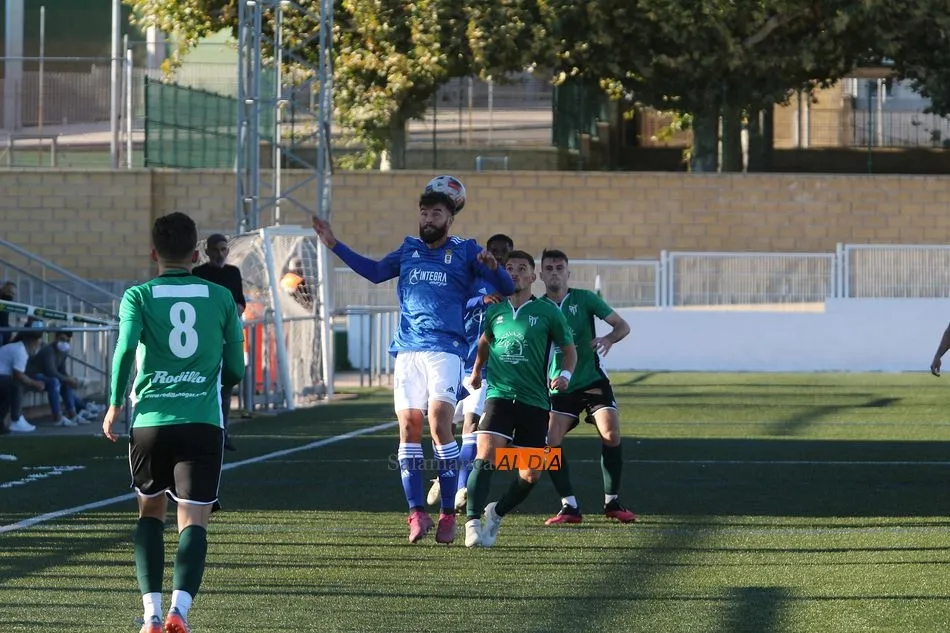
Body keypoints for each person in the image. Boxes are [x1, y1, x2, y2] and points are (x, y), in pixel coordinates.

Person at [312, 175, 515, 544]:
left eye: (435, 213)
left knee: (440, 425)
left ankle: (448, 514)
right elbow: (375, 273)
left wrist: (494, 266)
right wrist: (333, 244)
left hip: (445, 349)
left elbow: (505, 288)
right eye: (424, 213)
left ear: (449, 218)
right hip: (407, 349)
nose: (427, 219)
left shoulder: (466, 250)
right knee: (408, 428)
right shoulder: (407, 249)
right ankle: (416, 513)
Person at [102, 212, 245, 633]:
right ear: (197, 253)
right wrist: (213, 377)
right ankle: (178, 612)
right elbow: (236, 367)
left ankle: (148, 614)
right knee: (194, 519)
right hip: (202, 421)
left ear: (153, 254)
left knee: (149, 514)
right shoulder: (219, 296)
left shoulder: (138, 296)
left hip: (150, 421)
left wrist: (113, 404)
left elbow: (125, 349)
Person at [463, 250, 576, 548]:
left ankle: (496, 512)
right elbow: (485, 341)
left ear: (532, 276)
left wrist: (565, 375)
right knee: (485, 454)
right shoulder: (495, 311)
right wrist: (476, 371)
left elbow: (569, 349)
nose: (513, 273)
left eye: (520, 268)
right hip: (499, 396)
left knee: (531, 473)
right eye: (508, 268)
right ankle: (472, 523)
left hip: (535, 401)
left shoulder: (549, 312)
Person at [537, 248, 637, 525]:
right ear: (541, 274)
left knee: (610, 432)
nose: (555, 272)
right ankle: (569, 506)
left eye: (560, 268)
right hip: (560, 386)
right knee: (550, 441)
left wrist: (607, 339)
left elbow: (622, 326)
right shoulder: (537, 308)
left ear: (568, 272)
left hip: (592, 380)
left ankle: (612, 502)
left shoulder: (584, 299)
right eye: (550, 268)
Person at [427, 233, 514, 511]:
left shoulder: (508, 286)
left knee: (471, 425)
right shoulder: (471, 279)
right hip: (454, 360)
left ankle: (461, 486)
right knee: (443, 425)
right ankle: (444, 477)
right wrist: (481, 301)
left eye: (504, 252)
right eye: (495, 250)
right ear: (486, 252)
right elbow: (454, 304)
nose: (498, 255)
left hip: (485, 367)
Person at [192, 233, 246, 452]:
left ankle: (223, 433)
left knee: (225, 387)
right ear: (207, 251)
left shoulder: (233, 273)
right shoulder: (198, 274)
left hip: (226, 339)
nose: (220, 254)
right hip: (204, 340)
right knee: (201, 386)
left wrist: (228, 315)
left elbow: (240, 304)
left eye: (224, 249)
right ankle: (201, 433)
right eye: (216, 250)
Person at [25, 330, 98, 427]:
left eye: (67, 341)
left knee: (65, 382)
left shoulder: (64, 351)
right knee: (55, 382)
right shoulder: (48, 350)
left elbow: (62, 370)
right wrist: (67, 379)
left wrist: (70, 379)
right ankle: (57, 417)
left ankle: (73, 414)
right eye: (62, 339)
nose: (64, 343)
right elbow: (50, 371)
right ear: (56, 338)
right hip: (33, 375)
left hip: (46, 377)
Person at [0, 322, 45, 434]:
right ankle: (15, 419)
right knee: (16, 385)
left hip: (4, 378)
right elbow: (18, 374)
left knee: (16, 384)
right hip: (3, 378)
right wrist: (35, 384)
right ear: (34, 342)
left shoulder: (19, 348)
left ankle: (14, 419)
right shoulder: (21, 351)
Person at [0, 281, 18, 346]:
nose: (10, 295)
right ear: (3, 289)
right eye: (9, 292)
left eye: (13, 294)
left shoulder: (7, 302)